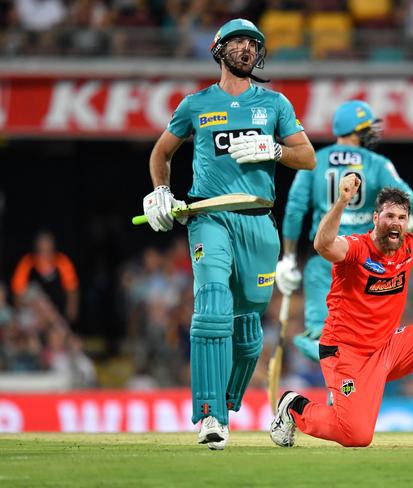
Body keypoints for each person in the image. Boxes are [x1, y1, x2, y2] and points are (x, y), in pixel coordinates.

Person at [143, 18, 316, 451]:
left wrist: (273, 149)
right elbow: (162, 152)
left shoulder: (274, 104)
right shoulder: (196, 104)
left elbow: (308, 157)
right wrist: (161, 191)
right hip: (209, 218)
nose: (246, 48)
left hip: (259, 222)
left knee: (247, 328)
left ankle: (225, 403)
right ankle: (209, 417)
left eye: (253, 43)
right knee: (213, 303)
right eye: (237, 42)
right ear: (219, 50)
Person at [270, 174, 413, 448]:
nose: (395, 222)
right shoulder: (356, 249)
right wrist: (342, 201)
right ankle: (293, 406)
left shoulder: (410, 246)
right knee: (357, 436)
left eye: (401, 217)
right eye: (389, 216)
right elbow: (323, 245)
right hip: (346, 353)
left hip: (387, 347)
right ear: (375, 218)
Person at [275, 100, 413, 365]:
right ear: (355, 130)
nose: (371, 132)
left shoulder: (315, 161)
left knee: (322, 329)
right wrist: (409, 218)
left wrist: (290, 257)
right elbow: (407, 196)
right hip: (365, 261)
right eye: (366, 127)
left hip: (325, 257)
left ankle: (319, 340)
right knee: (359, 340)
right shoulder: (376, 163)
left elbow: (294, 209)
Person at [11, 230, 79, 325]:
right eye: (41, 250)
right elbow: (17, 293)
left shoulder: (62, 262)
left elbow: (72, 290)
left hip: (57, 312)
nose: (44, 254)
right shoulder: (27, 263)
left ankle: (60, 328)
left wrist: (71, 315)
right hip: (32, 315)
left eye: (47, 250)